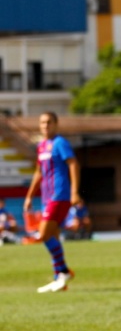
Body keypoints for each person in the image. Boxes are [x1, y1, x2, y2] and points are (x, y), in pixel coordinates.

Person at [23, 112, 81, 293]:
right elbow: (39, 172)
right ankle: (59, 280)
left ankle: (63, 271)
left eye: (49, 122)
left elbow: (73, 165)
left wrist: (74, 192)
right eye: (42, 122)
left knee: (43, 234)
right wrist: (30, 196)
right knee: (53, 236)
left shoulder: (60, 143)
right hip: (46, 197)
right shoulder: (41, 146)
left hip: (60, 195)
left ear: (56, 124)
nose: (45, 125)